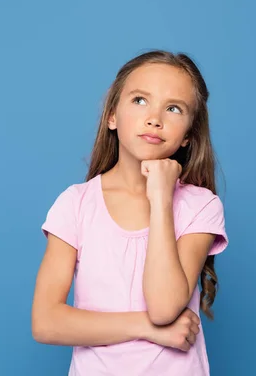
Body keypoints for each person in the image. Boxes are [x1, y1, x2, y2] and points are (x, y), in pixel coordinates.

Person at [31, 50, 229, 375]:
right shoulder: (76, 204)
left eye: (174, 108)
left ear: (188, 136)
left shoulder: (200, 206)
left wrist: (162, 199)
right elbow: (46, 322)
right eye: (140, 100)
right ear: (112, 116)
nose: (155, 118)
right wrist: (146, 328)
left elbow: (165, 307)